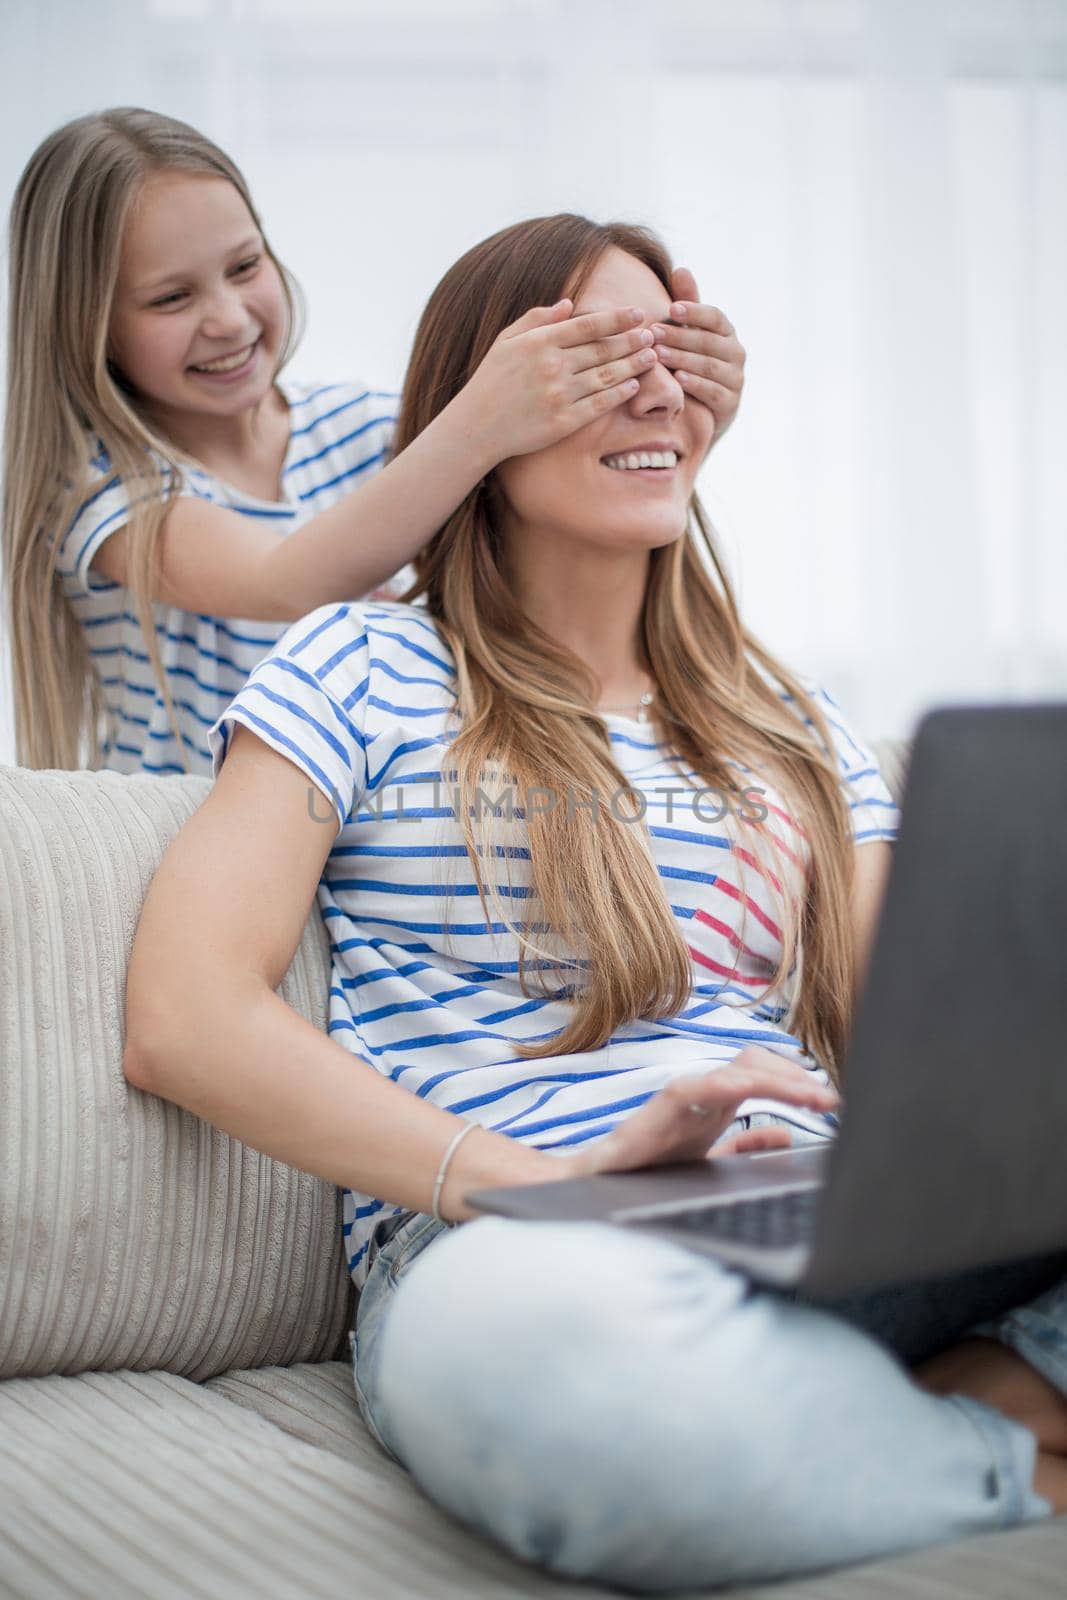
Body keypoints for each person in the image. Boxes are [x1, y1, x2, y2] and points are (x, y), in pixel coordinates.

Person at [121, 213, 1067, 1591]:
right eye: (592, 355)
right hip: (530, 1255)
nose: (650, 387)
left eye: (669, 353)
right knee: (539, 1371)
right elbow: (182, 1016)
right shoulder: (365, 666)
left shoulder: (784, 721)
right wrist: (549, 1182)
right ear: (482, 410)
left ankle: (865, 1425)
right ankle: (996, 1438)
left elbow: (915, 1049)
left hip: (827, 1218)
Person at [1, 107, 745, 778]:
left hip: (346, 824)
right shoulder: (96, 490)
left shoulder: (361, 426)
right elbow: (284, 584)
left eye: (244, 266)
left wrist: (685, 422)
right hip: (183, 838)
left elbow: (554, 515)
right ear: (86, 323)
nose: (228, 318)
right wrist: (481, 418)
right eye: (171, 297)